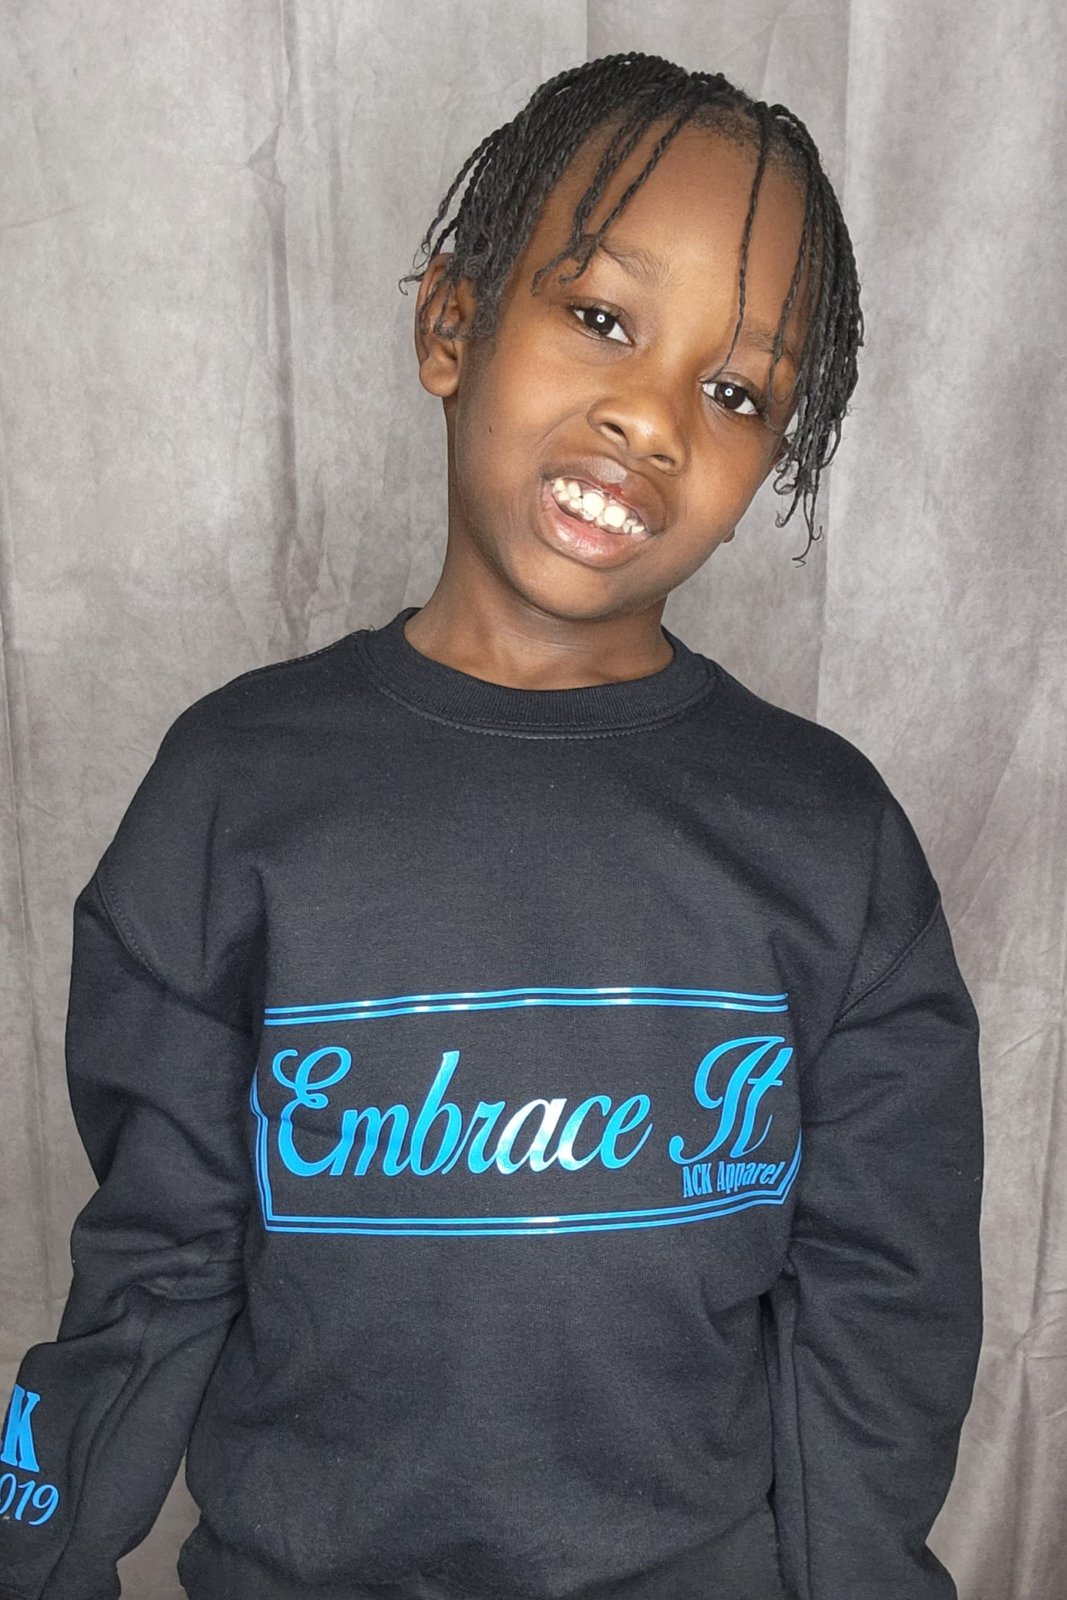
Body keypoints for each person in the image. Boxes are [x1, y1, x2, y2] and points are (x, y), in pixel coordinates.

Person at [0, 51, 982, 1600]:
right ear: (451, 323)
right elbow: (154, 1266)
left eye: (736, 392)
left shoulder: (828, 837)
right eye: (601, 317)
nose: (650, 417)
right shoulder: (233, 790)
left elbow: (881, 1314)